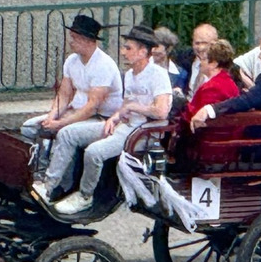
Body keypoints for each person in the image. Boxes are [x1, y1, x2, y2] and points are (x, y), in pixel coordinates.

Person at [51, 24, 173, 216]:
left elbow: (162, 111)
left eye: (128, 48)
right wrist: (115, 117)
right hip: (125, 126)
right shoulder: (131, 75)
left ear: (143, 52)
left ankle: (85, 196)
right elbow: (125, 104)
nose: (123, 52)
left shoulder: (158, 75)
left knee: (94, 152)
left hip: (143, 132)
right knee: (67, 133)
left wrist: (133, 108)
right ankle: (51, 185)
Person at [20, 14, 122, 145]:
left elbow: (92, 106)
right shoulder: (71, 61)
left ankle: (58, 165)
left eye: (75, 38)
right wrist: (52, 116)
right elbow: (64, 95)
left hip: (99, 118)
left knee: (64, 133)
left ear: (88, 40)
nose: (71, 42)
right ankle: (36, 161)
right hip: (74, 111)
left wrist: (60, 123)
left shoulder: (103, 65)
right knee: (29, 128)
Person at [179, 39, 240, 125]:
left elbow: (196, 119)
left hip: (211, 136)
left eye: (203, 59)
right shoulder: (229, 82)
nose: (200, 63)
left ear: (214, 64)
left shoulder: (212, 88)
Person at [176, 22, 219, 98]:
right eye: (197, 43)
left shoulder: (222, 64)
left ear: (214, 44)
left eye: (205, 43)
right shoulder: (184, 60)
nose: (200, 48)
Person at [151, 26, 188, 93]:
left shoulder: (181, 74)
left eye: (156, 46)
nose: (153, 50)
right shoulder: (143, 68)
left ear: (169, 48)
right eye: (151, 46)